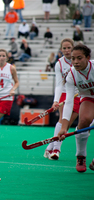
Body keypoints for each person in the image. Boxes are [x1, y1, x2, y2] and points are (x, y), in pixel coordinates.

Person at [57, 44, 94, 172]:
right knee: (84, 121)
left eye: (79, 58)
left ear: (88, 58)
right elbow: (68, 102)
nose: (76, 62)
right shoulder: (71, 75)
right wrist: (63, 127)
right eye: (73, 59)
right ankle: (81, 156)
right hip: (88, 98)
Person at [44, 38, 79, 160]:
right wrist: (56, 101)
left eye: (69, 47)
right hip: (65, 94)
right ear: (61, 49)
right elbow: (59, 84)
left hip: (79, 95)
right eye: (64, 48)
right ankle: (56, 150)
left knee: (68, 124)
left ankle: (50, 147)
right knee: (62, 120)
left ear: (73, 48)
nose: (67, 50)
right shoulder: (59, 63)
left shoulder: (79, 60)